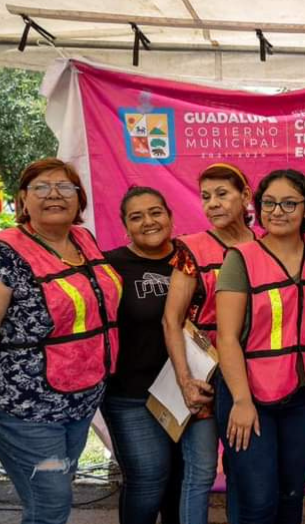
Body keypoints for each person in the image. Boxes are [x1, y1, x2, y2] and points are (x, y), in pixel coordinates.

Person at [0, 158, 121, 524]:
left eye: (65, 187)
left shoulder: (83, 241)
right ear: (23, 200)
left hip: (79, 404)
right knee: (50, 504)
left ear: (79, 199)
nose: (54, 194)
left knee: (54, 494)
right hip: (25, 411)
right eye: (41, 187)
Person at [215, 168, 305, 524]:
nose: (277, 211)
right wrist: (242, 401)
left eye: (289, 203)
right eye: (269, 203)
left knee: (292, 497)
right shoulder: (240, 258)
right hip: (249, 396)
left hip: (303, 397)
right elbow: (227, 337)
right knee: (258, 503)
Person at [162, 162, 256, 524]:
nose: (213, 204)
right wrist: (186, 379)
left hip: (249, 373)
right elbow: (171, 320)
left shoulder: (266, 246)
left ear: (246, 196)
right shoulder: (191, 249)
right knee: (201, 471)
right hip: (203, 374)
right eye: (205, 197)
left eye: (222, 194)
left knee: (242, 468)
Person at [102, 186, 185, 524]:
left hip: (185, 391)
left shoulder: (190, 258)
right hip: (131, 394)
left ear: (170, 216)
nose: (149, 222)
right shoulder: (110, 266)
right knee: (149, 479)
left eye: (156, 212)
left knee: (180, 480)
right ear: (125, 226)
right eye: (137, 217)